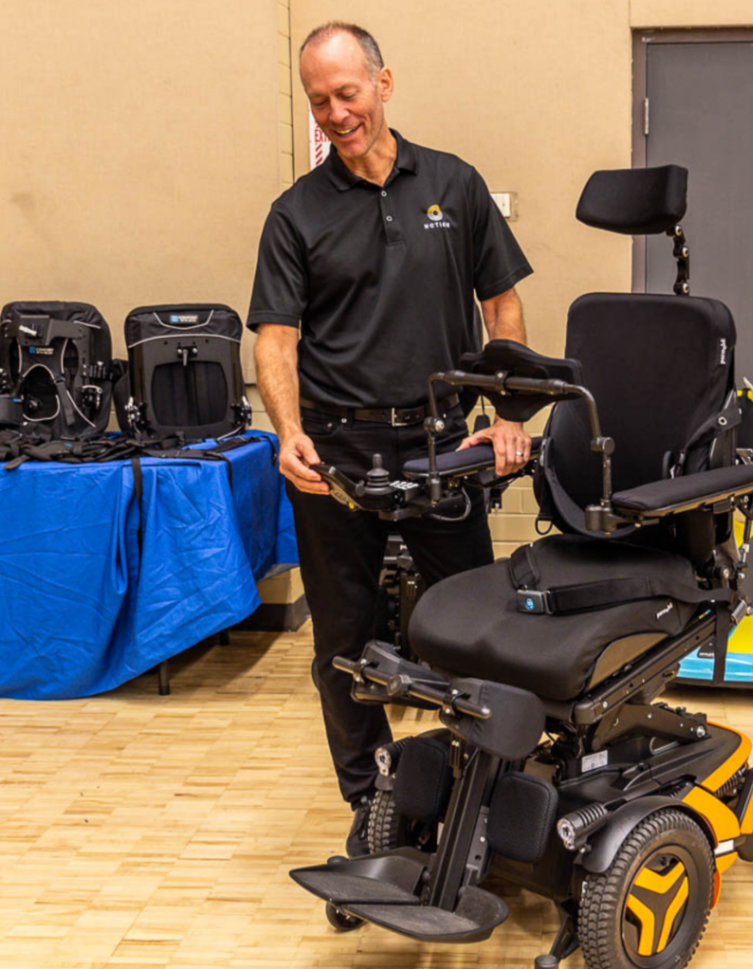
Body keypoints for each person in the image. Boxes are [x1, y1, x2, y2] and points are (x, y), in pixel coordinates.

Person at [248, 21, 532, 857]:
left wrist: (508, 414)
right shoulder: (295, 214)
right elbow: (275, 338)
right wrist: (288, 432)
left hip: (443, 447)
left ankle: (484, 790)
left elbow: (502, 305)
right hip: (335, 457)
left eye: (348, 93)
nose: (336, 114)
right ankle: (375, 803)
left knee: (477, 626)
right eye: (319, 101)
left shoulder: (454, 183)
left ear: (384, 83)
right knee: (343, 640)